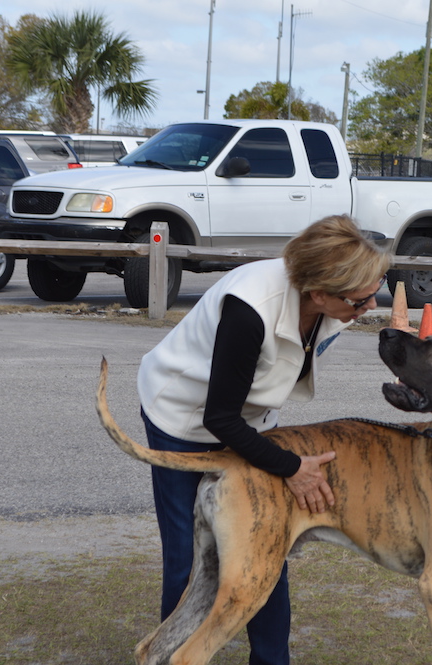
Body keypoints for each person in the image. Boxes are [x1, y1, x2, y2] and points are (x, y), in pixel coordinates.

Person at [136, 214, 390, 665]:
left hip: (248, 419)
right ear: (318, 293)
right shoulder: (249, 309)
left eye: (375, 291)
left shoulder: (331, 296)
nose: (370, 305)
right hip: (184, 417)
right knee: (191, 559)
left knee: (267, 550)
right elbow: (220, 418)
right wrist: (291, 467)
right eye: (360, 299)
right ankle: (169, 656)